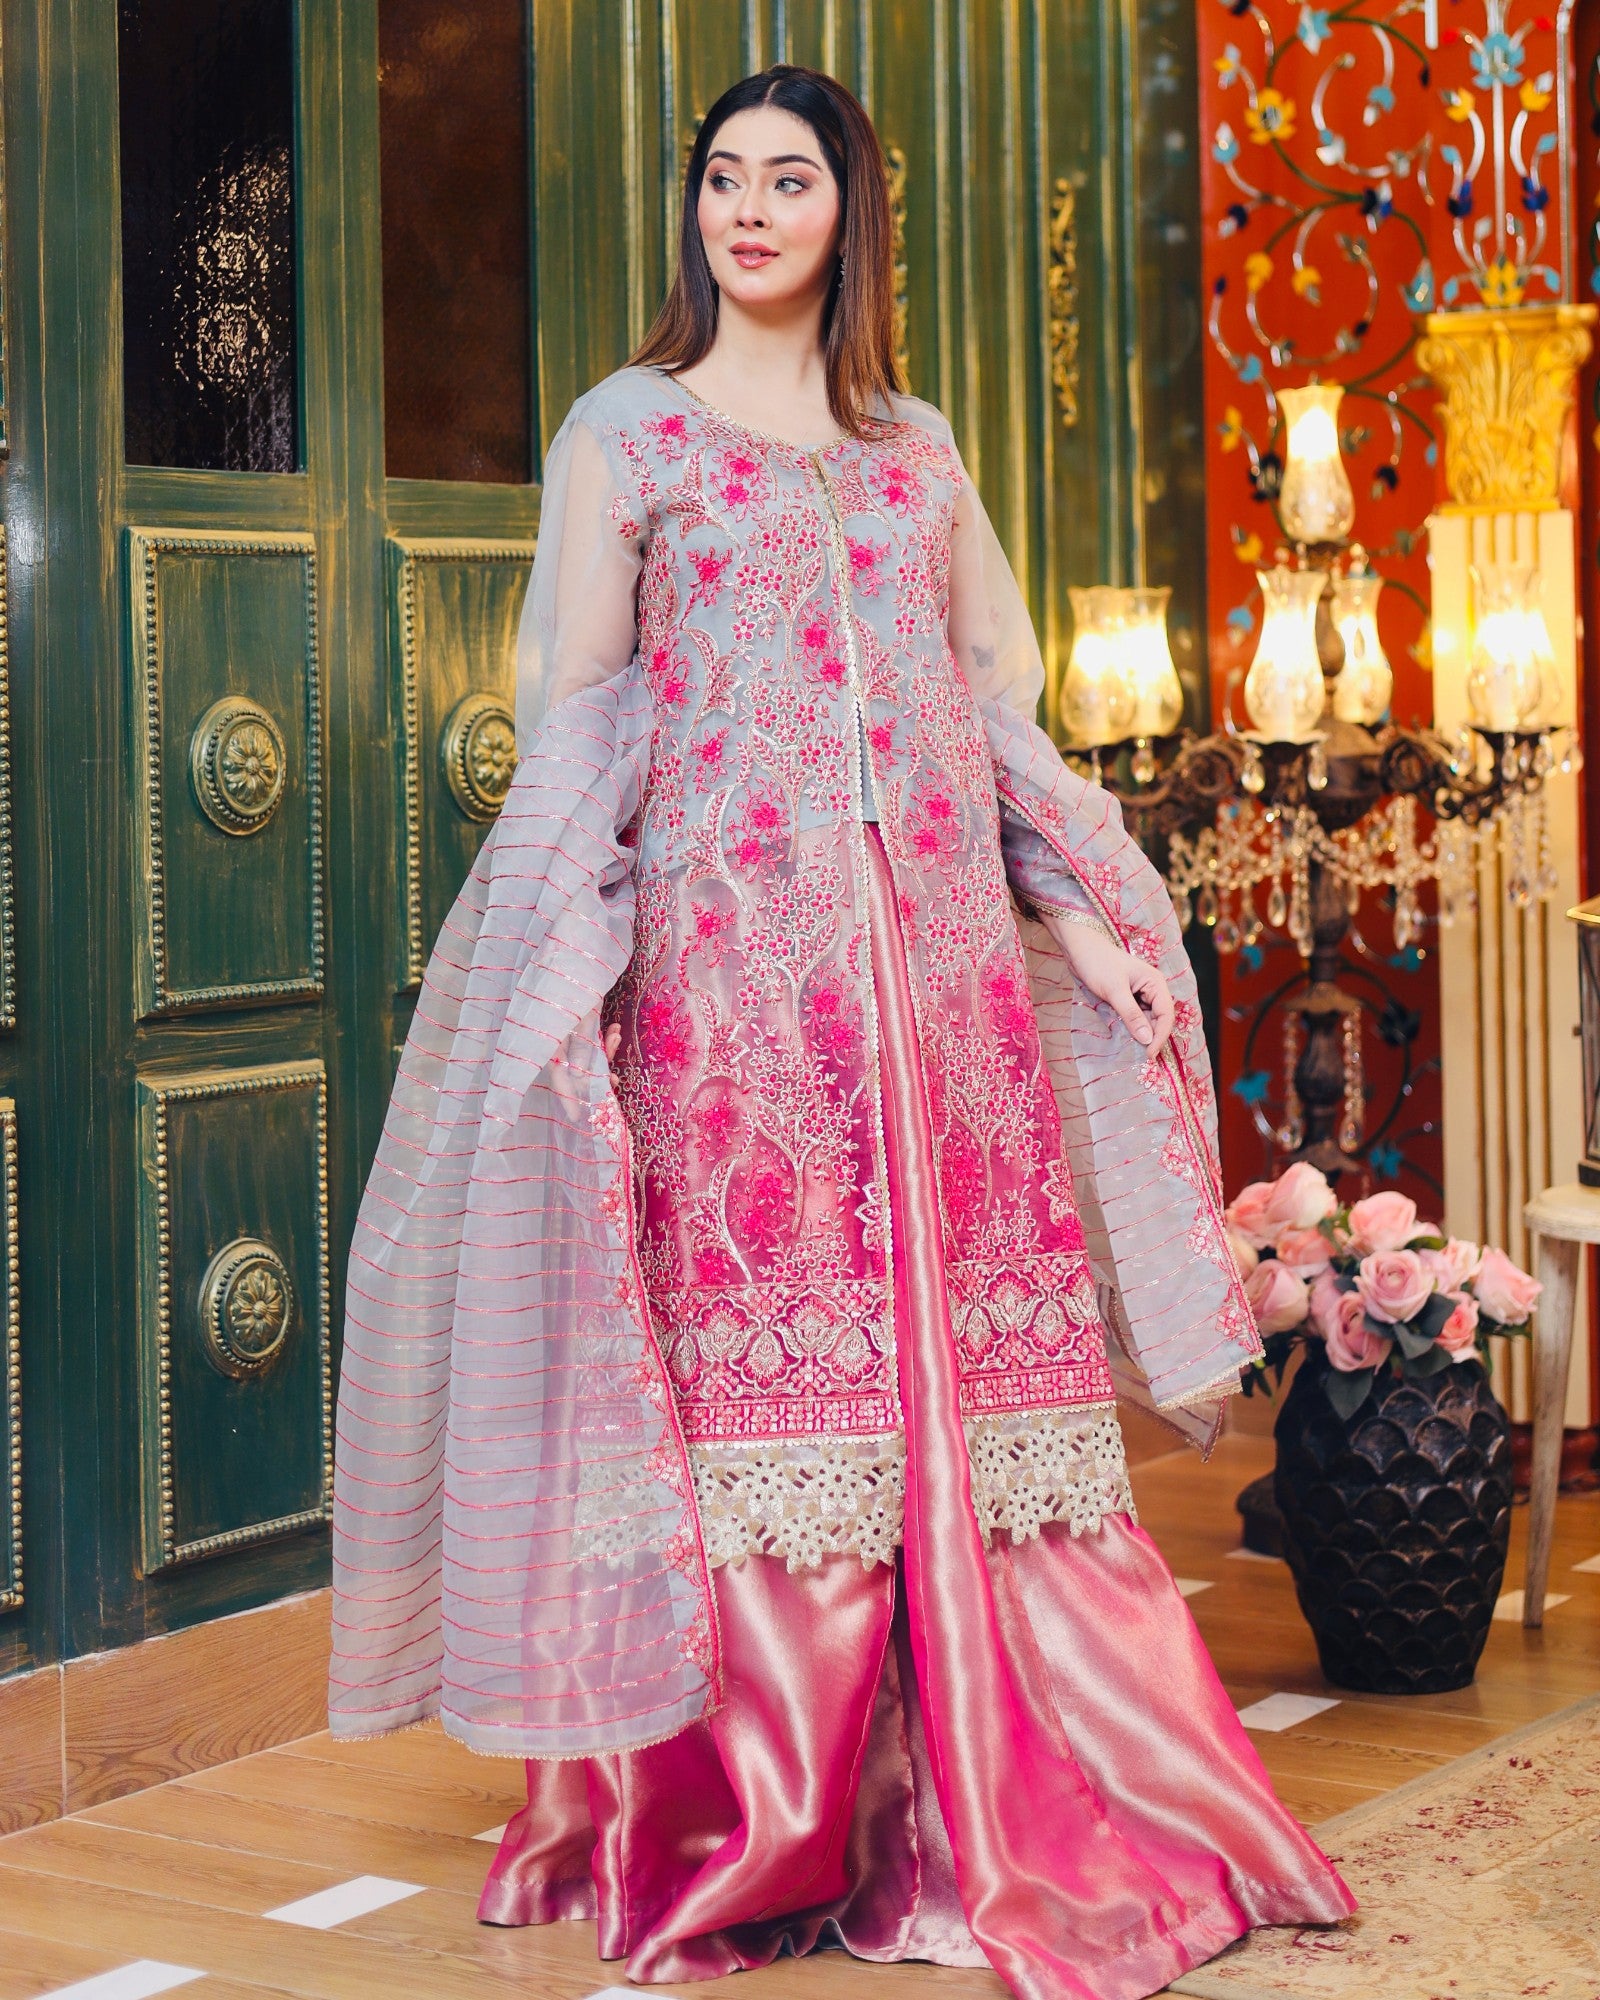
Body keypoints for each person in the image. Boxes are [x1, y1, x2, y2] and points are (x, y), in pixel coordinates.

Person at [329, 62, 1354, 2000]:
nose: (744, 209)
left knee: (972, 1398)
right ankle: (770, 1814)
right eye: (719, 177)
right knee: (766, 1415)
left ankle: (1029, 1771)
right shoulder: (624, 437)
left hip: (942, 991)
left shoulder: (917, 453)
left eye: (784, 179)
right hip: (738, 1006)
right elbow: (580, 730)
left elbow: (987, 731)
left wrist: (1092, 922)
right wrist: (570, 976)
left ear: (847, 211)